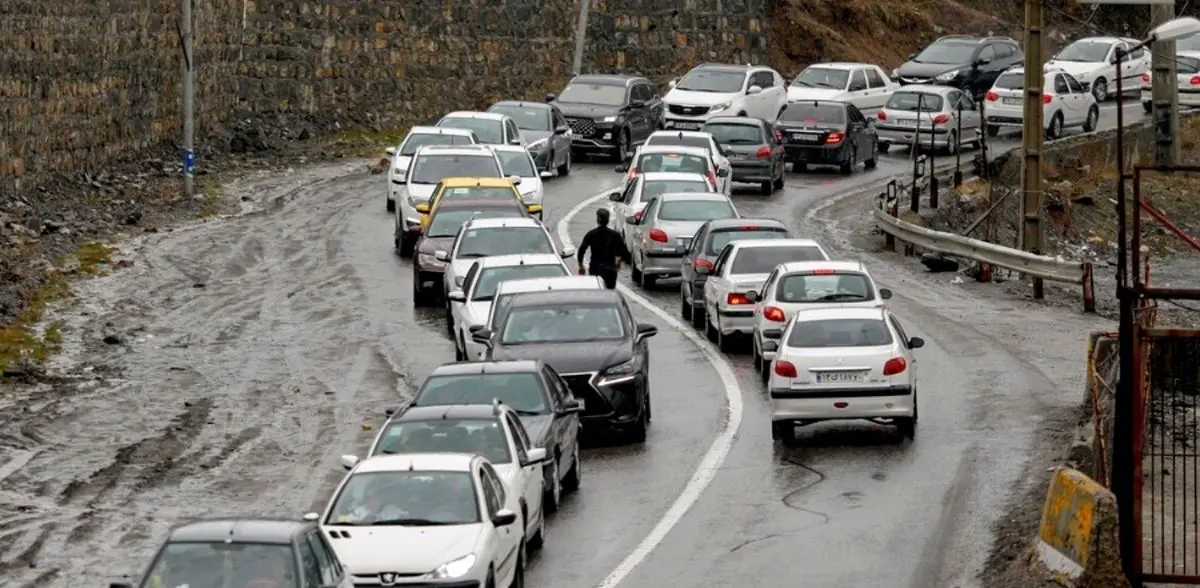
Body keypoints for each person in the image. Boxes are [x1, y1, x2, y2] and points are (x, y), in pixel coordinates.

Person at [576, 208, 631, 289]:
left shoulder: (591, 234)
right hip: (610, 269)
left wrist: (581, 265)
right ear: (608, 220)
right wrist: (619, 262)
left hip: (595, 269)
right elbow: (625, 253)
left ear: (598, 219)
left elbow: (581, 250)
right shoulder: (615, 235)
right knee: (610, 292)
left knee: (596, 292)